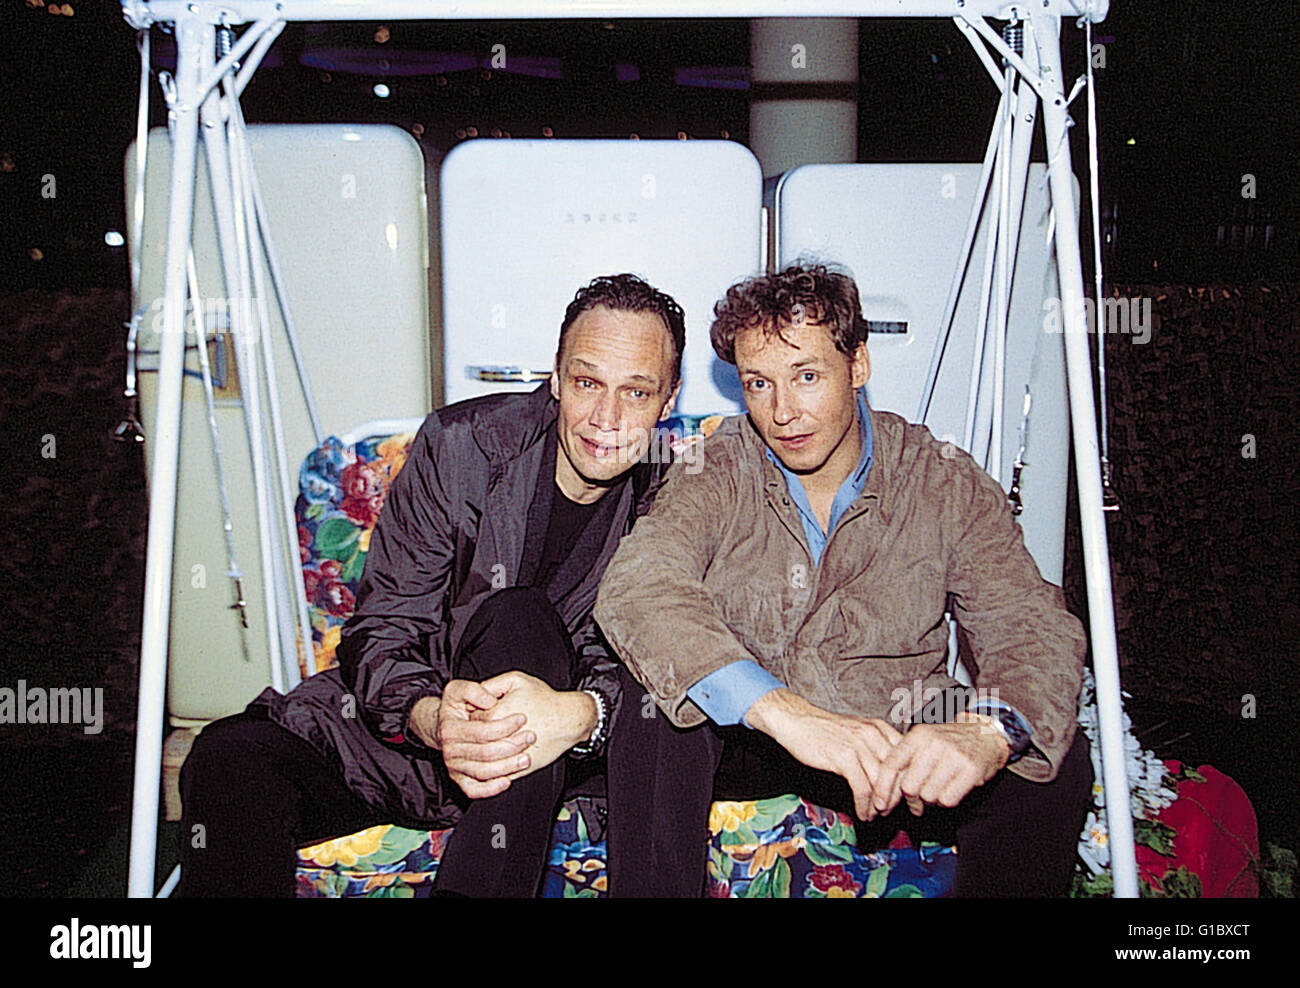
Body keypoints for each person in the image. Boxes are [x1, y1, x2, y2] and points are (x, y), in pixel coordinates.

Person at [178, 273, 688, 897]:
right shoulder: (461, 446)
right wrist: (432, 718)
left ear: (668, 402)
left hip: (568, 755)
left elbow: (675, 657)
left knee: (522, 623)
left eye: (636, 392)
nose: (605, 418)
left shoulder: (680, 492)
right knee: (227, 759)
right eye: (587, 383)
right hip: (414, 734)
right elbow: (385, 624)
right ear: (554, 378)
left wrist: (583, 713)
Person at [594, 262, 1094, 897]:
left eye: (806, 376)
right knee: (662, 707)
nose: (782, 413)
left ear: (857, 364)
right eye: (758, 384)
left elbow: (1030, 623)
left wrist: (986, 731)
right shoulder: (717, 467)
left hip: (896, 735)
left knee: (1049, 756)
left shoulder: (941, 480)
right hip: (758, 739)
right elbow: (640, 585)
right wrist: (784, 713)